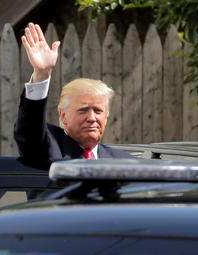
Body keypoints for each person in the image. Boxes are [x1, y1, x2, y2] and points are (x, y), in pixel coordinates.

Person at [14, 22, 133, 160]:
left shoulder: (124, 161)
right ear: (63, 116)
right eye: (83, 110)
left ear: (106, 118)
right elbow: (29, 132)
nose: (92, 118)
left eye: (98, 111)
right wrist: (41, 75)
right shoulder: (50, 147)